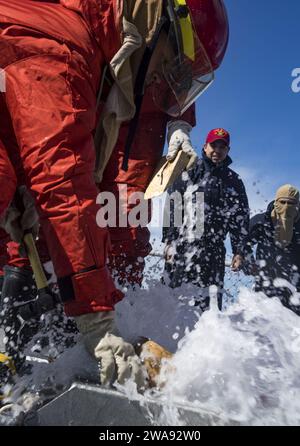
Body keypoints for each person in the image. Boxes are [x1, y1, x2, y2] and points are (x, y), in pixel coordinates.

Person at [0, 0, 229, 388]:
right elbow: (66, 185)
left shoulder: (96, 53)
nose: (162, 80)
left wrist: (19, 188)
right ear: (159, 23)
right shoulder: (64, 43)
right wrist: (97, 323)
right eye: (171, 65)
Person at [163, 128, 249, 311]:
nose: (217, 150)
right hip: (183, 247)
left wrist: (238, 250)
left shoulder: (234, 181)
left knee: (209, 308)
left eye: (222, 146)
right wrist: (169, 240)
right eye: (213, 145)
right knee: (174, 302)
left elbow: (240, 218)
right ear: (205, 146)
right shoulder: (190, 170)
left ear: (228, 150)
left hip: (214, 251)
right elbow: (174, 205)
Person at [241, 184, 300, 315]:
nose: (286, 207)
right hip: (266, 283)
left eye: (291, 203)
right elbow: (242, 242)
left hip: (295, 287)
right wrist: (248, 263)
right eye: (282, 202)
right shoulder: (263, 221)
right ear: (276, 202)